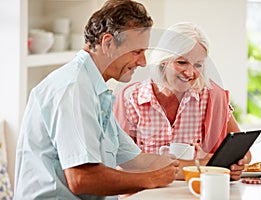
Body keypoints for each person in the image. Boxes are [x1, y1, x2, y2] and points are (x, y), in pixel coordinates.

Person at [14, 1, 179, 199]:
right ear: (108, 43)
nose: (143, 62)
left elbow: (138, 161)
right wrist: (151, 179)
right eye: (136, 51)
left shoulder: (96, 91)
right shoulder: (73, 88)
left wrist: (204, 166)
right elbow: (81, 179)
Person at [113, 22, 251, 181]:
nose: (190, 72)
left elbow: (244, 153)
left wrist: (236, 164)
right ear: (163, 60)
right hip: (145, 193)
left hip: (194, 192)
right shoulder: (131, 99)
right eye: (181, 62)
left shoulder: (210, 97)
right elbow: (125, 163)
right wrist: (202, 164)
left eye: (198, 64)